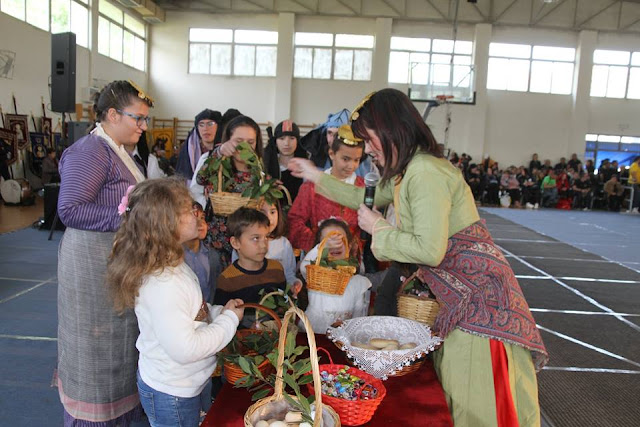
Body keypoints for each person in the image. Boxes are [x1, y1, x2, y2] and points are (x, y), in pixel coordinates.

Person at [289, 88, 547, 426]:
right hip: (461, 301)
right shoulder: (407, 171)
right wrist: (314, 175)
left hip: (479, 306)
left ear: (389, 130)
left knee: (476, 401)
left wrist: (379, 227)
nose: (367, 150)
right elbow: (362, 197)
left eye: (369, 141)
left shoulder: (424, 172)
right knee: (458, 393)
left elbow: (429, 249)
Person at [106, 178, 244, 427]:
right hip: (174, 393)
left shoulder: (172, 264)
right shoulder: (164, 284)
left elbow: (190, 314)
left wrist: (216, 312)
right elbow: (186, 349)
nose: (196, 213)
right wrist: (229, 320)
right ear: (166, 225)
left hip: (188, 382)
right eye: (187, 210)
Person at [56, 80, 152, 426]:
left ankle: (117, 413)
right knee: (94, 351)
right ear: (112, 114)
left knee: (117, 345)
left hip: (112, 266)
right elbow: (69, 209)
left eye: (145, 119)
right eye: (137, 118)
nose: (143, 126)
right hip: (91, 268)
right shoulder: (91, 151)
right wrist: (130, 216)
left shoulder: (118, 150)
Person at [190, 115, 264, 267]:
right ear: (228, 140)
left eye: (250, 142)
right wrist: (219, 152)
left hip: (245, 245)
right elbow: (200, 179)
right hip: (215, 241)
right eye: (238, 141)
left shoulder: (257, 170)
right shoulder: (215, 161)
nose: (244, 147)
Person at [288, 124, 365, 253]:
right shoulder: (312, 186)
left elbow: (367, 230)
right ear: (331, 154)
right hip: (317, 258)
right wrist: (320, 243)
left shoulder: (363, 188)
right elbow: (294, 222)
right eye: (345, 159)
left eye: (356, 160)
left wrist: (352, 245)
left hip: (349, 257)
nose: (351, 166)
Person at [214, 208, 287, 326]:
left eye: (266, 237)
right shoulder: (227, 280)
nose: (264, 245)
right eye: (255, 238)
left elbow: (283, 305)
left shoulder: (276, 269)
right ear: (235, 243)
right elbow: (223, 320)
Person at [299, 218, 371, 334]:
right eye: (328, 241)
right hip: (314, 335)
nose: (334, 245)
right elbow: (304, 266)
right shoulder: (315, 274)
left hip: (343, 337)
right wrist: (323, 247)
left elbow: (358, 318)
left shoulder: (358, 282)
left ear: (349, 244)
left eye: (340, 240)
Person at [233, 199, 302, 293]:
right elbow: (235, 273)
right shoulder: (242, 244)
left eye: (273, 212)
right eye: (262, 212)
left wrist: (294, 283)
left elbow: (289, 273)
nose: (269, 217)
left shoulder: (284, 244)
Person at [300, 108, 373, 178]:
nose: (332, 139)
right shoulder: (317, 159)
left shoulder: (365, 163)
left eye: (337, 134)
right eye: (329, 133)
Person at [184, 201, 222, 304]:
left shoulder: (213, 256)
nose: (201, 224)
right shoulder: (174, 258)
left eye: (202, 218)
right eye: (194, 219)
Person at [263, 120, 308, 202]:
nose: (287, 143)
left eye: (292, 138)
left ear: (298, 141)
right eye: (282, 138)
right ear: (275, 142)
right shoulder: (266, 165)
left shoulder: (306, 166)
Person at [176, 109, 222, 184]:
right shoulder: (189, 149)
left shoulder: (225, 149)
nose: (205, 129)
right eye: (201, 124)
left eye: (210, 124)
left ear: (218, 126)